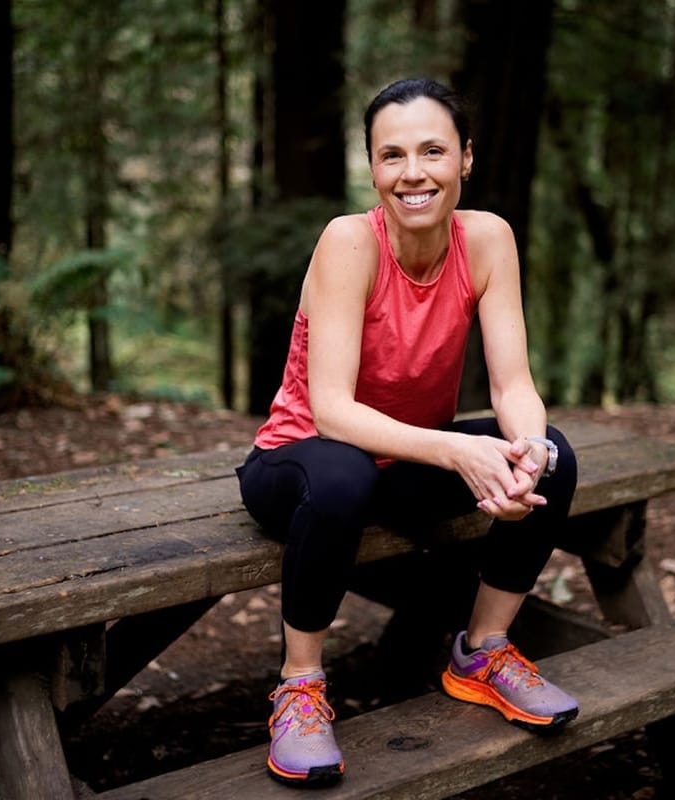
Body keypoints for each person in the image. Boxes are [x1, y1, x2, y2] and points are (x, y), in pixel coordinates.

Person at [235, 77, 579, 788]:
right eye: (392, 155)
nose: (413, 172)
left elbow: (513, 386)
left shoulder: (488, 240)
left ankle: (481, 651)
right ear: (372, 167)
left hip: (403, 462)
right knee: (344, 472)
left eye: (432, 151)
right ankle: (300, 688)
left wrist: (522, 455)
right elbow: (331, 412)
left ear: (466, 159)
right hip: (297, 468)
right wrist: (459, 449)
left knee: (554, 457)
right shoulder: (348, 243)